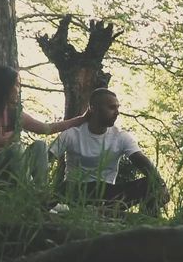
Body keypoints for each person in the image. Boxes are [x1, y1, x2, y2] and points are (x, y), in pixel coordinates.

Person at [0, 66, 86, 189]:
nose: (19, 89)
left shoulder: (15, 114)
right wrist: (7, 155)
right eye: (16, 85)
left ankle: (42, 191)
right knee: (16, 150)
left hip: (7, 171)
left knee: (39, 145)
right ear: (4, 87)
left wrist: (81, 119)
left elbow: (46, 128)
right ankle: (28, 192)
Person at [50, 88, 169, 216]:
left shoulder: (121, 136)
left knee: (152, 183)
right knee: (66, 189)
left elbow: (141, 161)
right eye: (112, 108)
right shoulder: (71, 135)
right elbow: (46, 158)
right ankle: (90, 211)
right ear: (93, 109)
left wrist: (160, 184)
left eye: (118, 108)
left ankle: (146, 223)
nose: (117, 113)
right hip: (75, 191)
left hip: (107, 195)